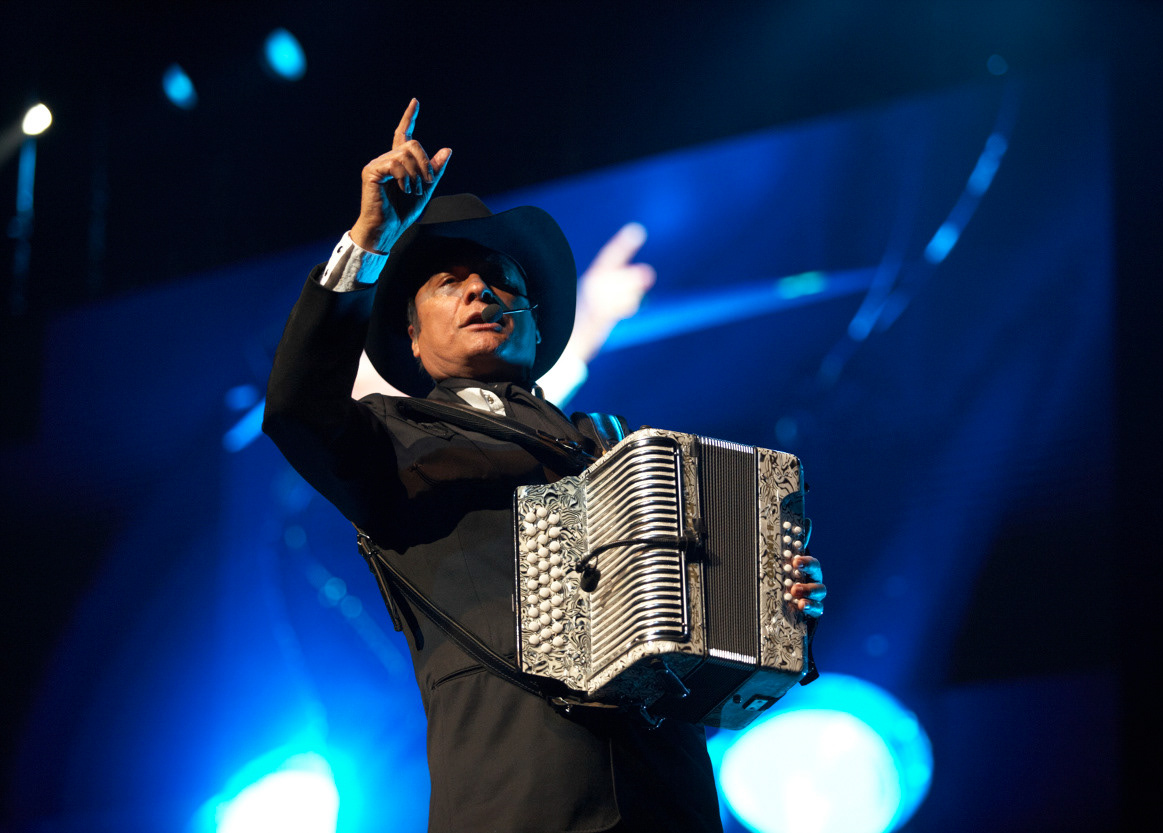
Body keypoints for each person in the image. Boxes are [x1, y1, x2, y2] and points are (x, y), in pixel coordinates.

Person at [263, 99, 826, 832]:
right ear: (412, 336)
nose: (479, 290)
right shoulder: (390, 436)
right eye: (448, 282)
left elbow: (702, 646)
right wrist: (369, 241)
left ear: (534, 323)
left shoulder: (617, 445)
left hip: (669, 795)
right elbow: (297, 408)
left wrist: (774, 601)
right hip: (518, 792)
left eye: (501, 280)